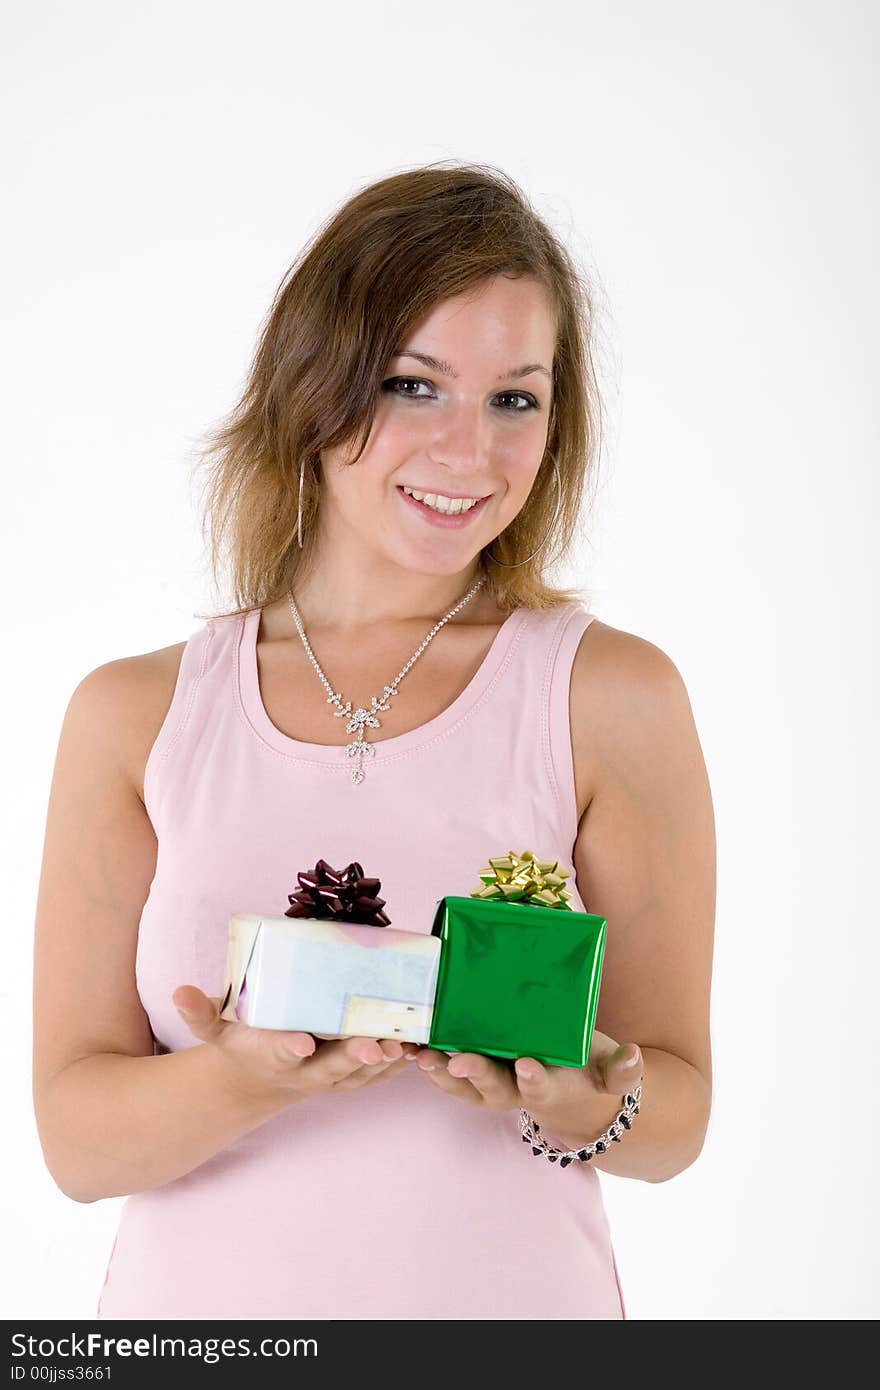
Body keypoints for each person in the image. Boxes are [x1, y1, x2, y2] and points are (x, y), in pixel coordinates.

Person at [32, 161, 715, 1321]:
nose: (471, 452)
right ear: (314, 387)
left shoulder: (610, 695)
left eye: (517, 398)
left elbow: (675, 1115)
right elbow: (75, 1146)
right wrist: (241, 1079)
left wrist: (573, 1106)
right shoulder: (134, 713)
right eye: (415, 385)